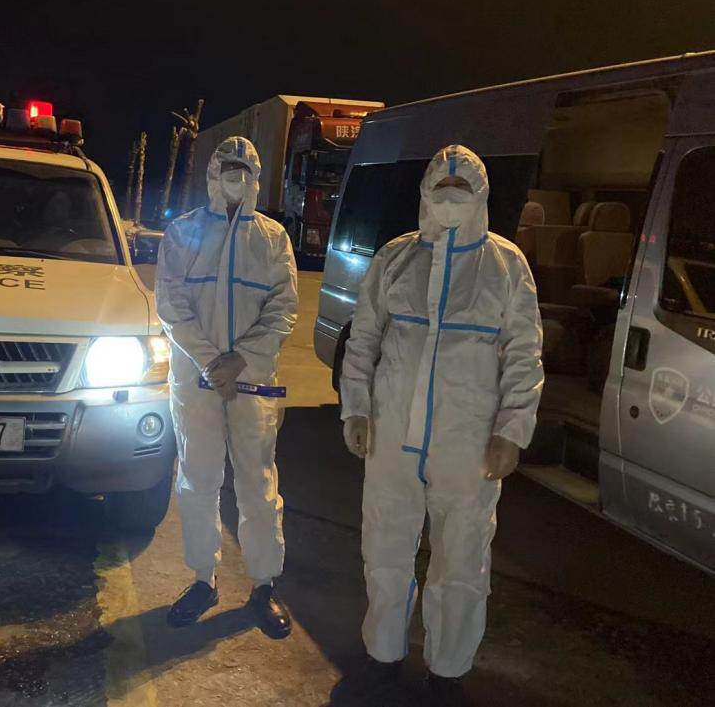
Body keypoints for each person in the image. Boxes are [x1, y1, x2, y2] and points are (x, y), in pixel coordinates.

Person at [335, 145, 543, 705]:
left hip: (467, 442)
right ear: (426, 192)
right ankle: (383, 656)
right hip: (391, 434)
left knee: (463, 558)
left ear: (481, 195)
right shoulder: (396, 258)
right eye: (441, 188)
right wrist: (356, 407)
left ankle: (448, 671)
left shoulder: (505, 265)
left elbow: (524, 354)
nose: (450, 199)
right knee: (385, 547)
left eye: (462, 189)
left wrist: (511, 430)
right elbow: (364, 340)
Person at [155, 136, 299, 638]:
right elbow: (171, 304)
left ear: (255, 177)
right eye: (227, 168)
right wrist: (213, 361)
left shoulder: (273, 238)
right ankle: (204, 579)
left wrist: (242, 359)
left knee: (257, 483)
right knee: (198, 479)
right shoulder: (183, 232)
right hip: (196, 381)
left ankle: (263, 585)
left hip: (251, 381)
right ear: (213, 175)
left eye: (244, 169)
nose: (236, 177)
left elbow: (283, 307)